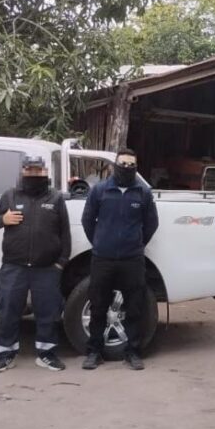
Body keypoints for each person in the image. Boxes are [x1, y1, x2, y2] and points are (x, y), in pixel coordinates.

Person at [0, 156, 71, 372]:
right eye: (29, 170)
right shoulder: (10, 195)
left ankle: (46, 354)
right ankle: (5, 354)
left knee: (48, 312)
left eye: (38, 170)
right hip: (14, 266)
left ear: (44, 172)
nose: (34, 173)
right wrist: (2, 219)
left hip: (47, 268)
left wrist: (61, 263)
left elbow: (65, 232)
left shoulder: (55, 198)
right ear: (23, 171)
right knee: (7, 310)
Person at [80, 149, 158, 370]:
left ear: (136, 167)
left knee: (134, 307)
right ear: (114, 165)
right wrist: (100, 242)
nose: (127, 167)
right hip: (103, 259)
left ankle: (132, 352)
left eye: (131, 164)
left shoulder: (143, 193)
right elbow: (87, 220)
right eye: (123, 163)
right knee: (98, 306)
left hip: (132, 260)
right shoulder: (100, 190)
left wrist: (137, 244)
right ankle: (94, 352)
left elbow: (151, 223)